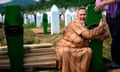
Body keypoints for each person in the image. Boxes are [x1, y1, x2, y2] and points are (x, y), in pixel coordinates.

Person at [56, 7, 109, 72]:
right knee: (66, 51)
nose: (82, 16)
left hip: (77, 48)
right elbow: (88, 35)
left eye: (84, 14)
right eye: (81, 15)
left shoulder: (87, 24)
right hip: (66, 46)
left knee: (88, 51)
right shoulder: (75, 23)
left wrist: (99, 31)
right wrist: (99, 28)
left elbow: (106, 34)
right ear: (77, 16)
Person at [95, 0, 120, 69]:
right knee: (115, 39)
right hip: (110, 17)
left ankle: (116, 62)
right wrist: (98, 4)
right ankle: (116, 61)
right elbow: (98, 0)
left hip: (118, 17)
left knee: (116, 40)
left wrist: (103, 3)